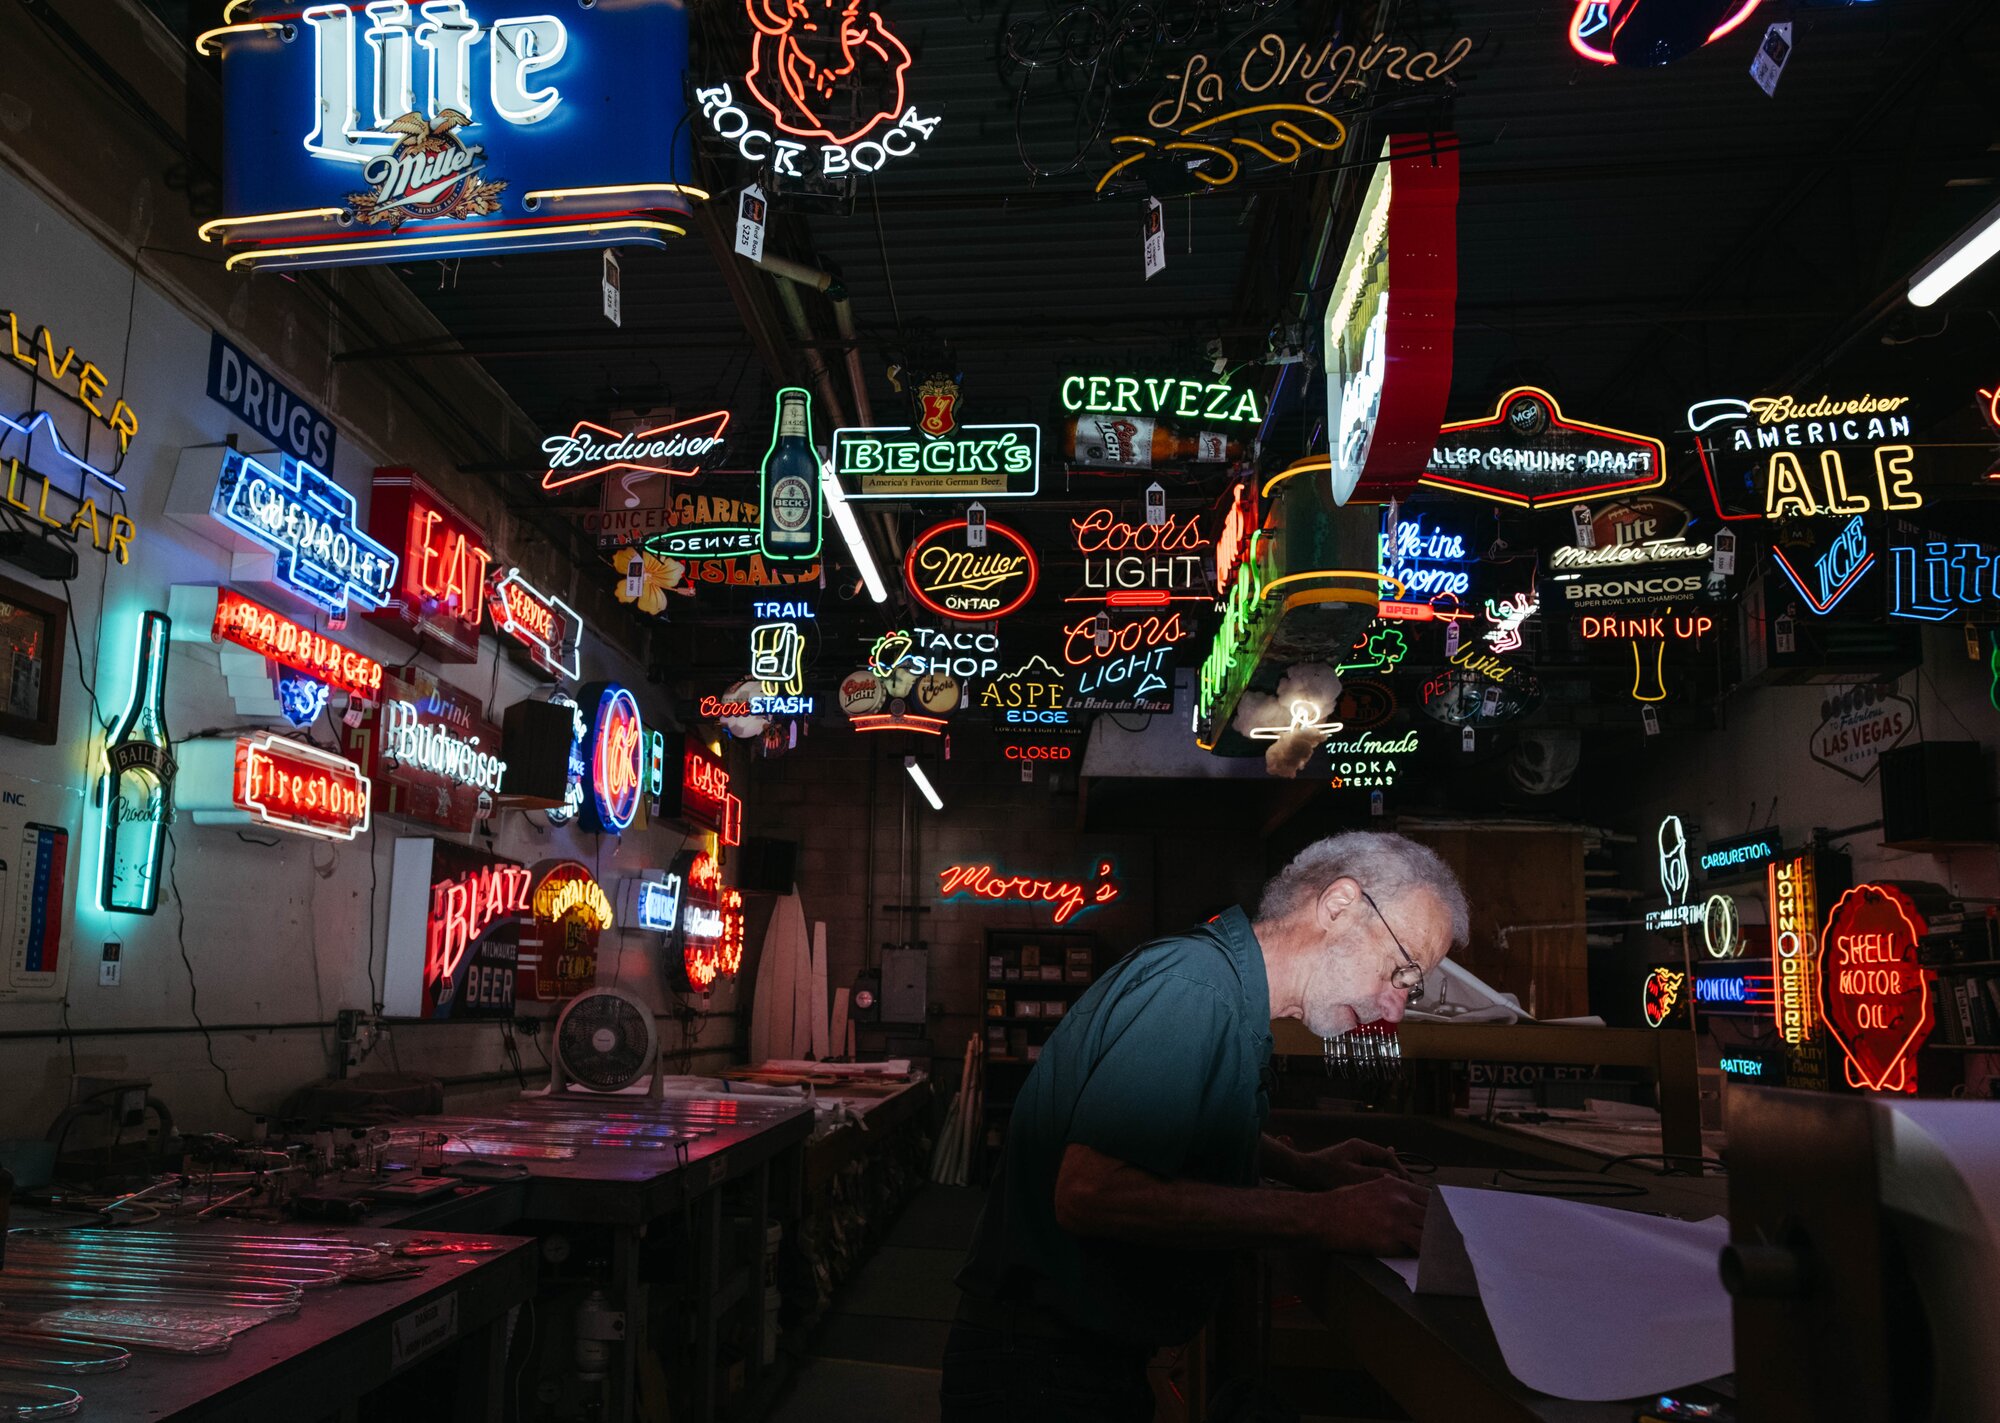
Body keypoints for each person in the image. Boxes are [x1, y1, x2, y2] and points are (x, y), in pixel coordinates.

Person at [941, 832, 1468, 1422]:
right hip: (1039, 1373)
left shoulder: (1219, 990)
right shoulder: (1194, 991)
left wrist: (1301, 1166)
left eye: (1410, 988)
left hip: (1069, 1363)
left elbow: (1173, 1119)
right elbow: (1091, 1192)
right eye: (1400, 972)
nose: (1394, 1010)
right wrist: (1328, 1215)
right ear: (1338, 906)